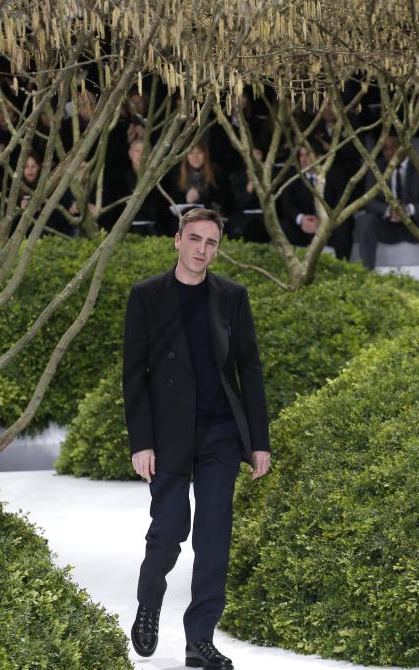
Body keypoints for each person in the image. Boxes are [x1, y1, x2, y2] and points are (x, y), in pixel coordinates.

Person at [124, 208, 271, 670]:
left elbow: (248, 368)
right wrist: (140, 441)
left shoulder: (231, 296)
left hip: (220, 432)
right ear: (177, 240)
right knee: (169, 530)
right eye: (194, 239)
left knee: (213, 537)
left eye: (211, 242)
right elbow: (134, 375)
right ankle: (149, 607)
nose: (201, 249)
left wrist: (259, 440)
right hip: (168, 432)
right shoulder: (147, 296)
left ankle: (199, 641)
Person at [353, 133, 419, 286]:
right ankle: (366, 275)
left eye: (394, 147)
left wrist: (408, 209)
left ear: (405, 148)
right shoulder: (377, 168)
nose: (390, 152)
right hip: (388, 225)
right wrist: (390, 210)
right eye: (386, 149)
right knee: (365, 221)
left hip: (417, 226)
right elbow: (368, 201)